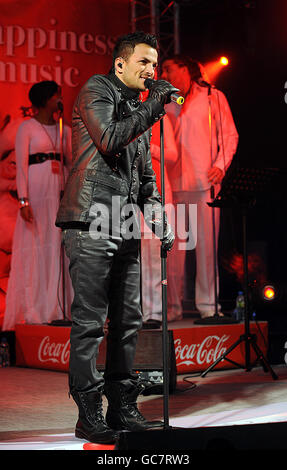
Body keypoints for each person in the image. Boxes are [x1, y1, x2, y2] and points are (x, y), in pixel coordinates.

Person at [55, 32, 175, 444]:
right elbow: (108, 138)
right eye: (144, 62)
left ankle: (122, 406)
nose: (151, 71)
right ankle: (88, 414)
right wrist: (151, 109)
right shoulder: (97, 89)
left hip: (124, 223)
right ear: (120, 64)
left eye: (155, 64)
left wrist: (159, 217)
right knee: (89, 322)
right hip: (89, 220)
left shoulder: (139, 111)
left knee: (129, 321)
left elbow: (145, 179)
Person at [161, 55, 239, 319]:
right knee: (173, 250)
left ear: (185, 68)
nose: (164, 73)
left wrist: (221, 164)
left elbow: (229, 134)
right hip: (172, 184)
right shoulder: (166, 101)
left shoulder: (212, 96)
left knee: (206, 247)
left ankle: (208, 307)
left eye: (168, 69)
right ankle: (171, 307)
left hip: (203, 182)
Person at [3, 81, 73, 331]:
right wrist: (24, 200)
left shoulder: (64, 128)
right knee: (36, 249)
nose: (60, 100)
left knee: (57, 249)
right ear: (45, 100)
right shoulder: (27, 128)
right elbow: (21, 166)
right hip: (36, 192)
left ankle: (57, 307)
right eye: (56, 96)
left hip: (58, 192)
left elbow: (70, 162)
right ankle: (35, 310)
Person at [141, 114, 180, 327]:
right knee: (139, 259)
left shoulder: (162, 120)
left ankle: (155, 312)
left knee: (156, 258)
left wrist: (150, 148)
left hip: (159, 195)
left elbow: (173, 155)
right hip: (134, 196)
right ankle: (144, 311)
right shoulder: (125, 116)